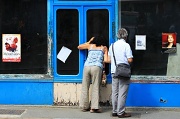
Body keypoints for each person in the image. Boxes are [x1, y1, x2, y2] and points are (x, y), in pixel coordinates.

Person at [105, 28, 133, 118]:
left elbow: (109, 60)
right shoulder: (126, 45)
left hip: (114, 71)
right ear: (126, 36)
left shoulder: (112, 46)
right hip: (124, 72)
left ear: (117, 36)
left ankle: (114, 111)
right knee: (122, 92)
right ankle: (121, 112)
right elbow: (130, 59)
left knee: (115, 92)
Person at [78, 36, 108, 113]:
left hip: (87, 66)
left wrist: (89, 41)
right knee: (95, 86)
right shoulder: (104, 48)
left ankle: (84, 106)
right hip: (96, 67)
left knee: (85, 86)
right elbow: (106, 60)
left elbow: (79, 47)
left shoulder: (90, 46)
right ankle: (94, 107)